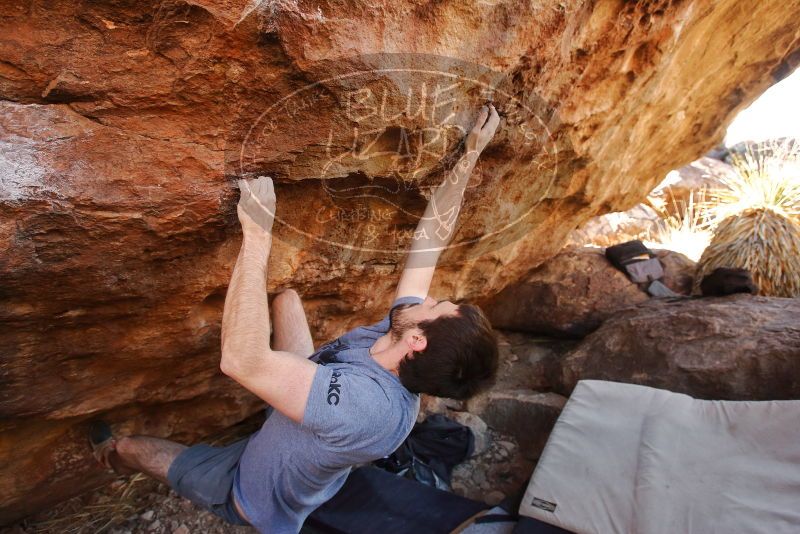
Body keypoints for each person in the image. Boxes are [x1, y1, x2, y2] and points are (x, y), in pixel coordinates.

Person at [89, 104, 502, 533]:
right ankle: (277, 400)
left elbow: (240, 361)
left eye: (435, 306)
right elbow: (430, 240)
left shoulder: (368, 409)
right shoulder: (406, 337)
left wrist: (256, 235)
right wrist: (470, 154)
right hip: (302, 405)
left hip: (253, 488)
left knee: (138, 449)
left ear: (418, 340)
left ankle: (110, 454)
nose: (430, 297)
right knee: (285, 299)